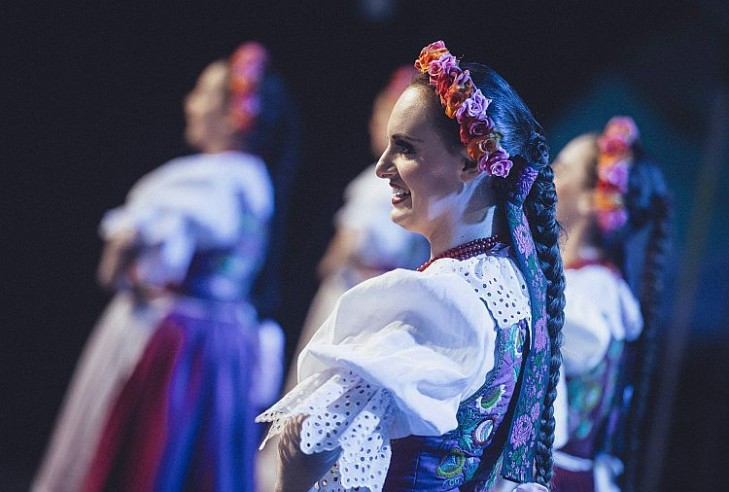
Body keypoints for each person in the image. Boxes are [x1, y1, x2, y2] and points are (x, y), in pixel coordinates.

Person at [257, 40, 565, 492]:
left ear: (469, 163)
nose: (383, 168)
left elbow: (311, 439)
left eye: (405, 149)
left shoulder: (441, 297)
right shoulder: (513, 283)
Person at [33, 42, 295, 492]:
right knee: (204, 459)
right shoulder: (256, 178)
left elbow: (136, 251)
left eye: (202, 94)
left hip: (177, 341)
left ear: (232, 116)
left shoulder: (206, 178)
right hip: (226, 339)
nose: (190, 104)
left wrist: (123, 271)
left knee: (151, 453)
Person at [255, 65, 429, 492]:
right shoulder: (420, 190)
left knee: (315, 379)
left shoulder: (375, 185)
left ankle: (286, 471)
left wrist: (329, 265)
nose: (373, 122)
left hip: (349, 293)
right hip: (387, 303)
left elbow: (349, 243)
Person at [551, 116, 672, 491]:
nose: (546, 174)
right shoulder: (595, 286)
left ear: (592, 199)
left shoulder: (590, 294)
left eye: (561, 168)